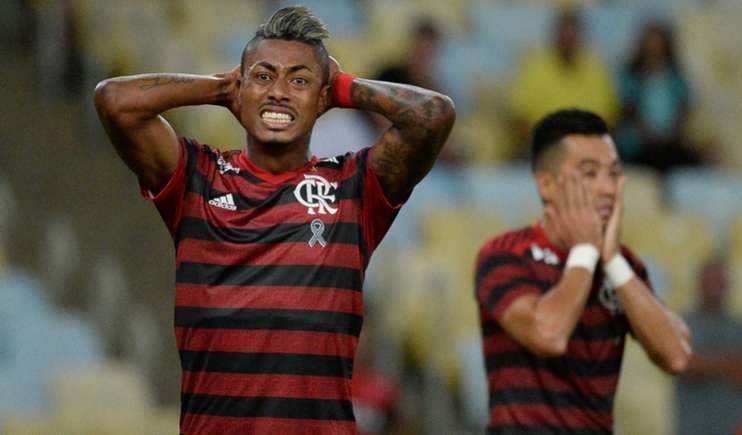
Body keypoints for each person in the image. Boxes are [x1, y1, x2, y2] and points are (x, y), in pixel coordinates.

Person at [93, 6, 455, 435]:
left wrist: (340, 86)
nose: (279, 92)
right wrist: (220, 87)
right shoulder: (196, 178)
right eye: (264, 77)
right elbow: (114, 102)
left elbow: (432, 116)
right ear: (240, 89)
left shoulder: (353, 188)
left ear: (322, 99)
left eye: (299, 80)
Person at [474, 109, 691, 434]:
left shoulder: (623, 265)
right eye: (589, 174)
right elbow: (549, 335)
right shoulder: (505, 254)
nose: (607, 189)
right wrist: (586, 251)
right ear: (546, 185)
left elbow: (676, 356)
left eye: (614, 174)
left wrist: (613, 261)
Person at [676, 257, 742, 435]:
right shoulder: (681, 323)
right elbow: (682, 363)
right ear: (699, 283)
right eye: (709, 280)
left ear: (728, 284)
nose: (714, 286)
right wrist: (733, 364)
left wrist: (704, 362)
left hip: (736, 429)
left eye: (719, 280)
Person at [505, 10, 618, 157]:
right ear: (555, 37)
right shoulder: (534, 67)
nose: (568, 41)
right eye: (564, 36)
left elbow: (611, 118)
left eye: (573, 36)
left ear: (581, 38)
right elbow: (520, 118)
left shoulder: (597, 70)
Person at [616, 22, 701, 173]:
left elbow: (684, 107)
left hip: (670, 141)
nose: (654, 48)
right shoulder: (631, 75)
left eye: (658, 43)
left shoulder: (675, 76)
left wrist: (671, 134)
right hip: (639, 144)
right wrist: (647, 134)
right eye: (650, 43)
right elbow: (628, 108)